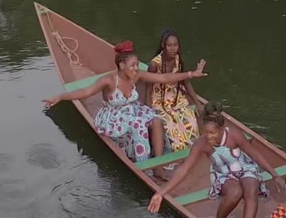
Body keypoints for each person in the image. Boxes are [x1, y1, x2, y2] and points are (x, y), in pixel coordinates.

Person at [42, 41, 206, 162]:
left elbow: (164, 78)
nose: (136, 68)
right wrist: (60, 97)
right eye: (133, 65)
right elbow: (86, 92)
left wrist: (191, 74)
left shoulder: (136, 75)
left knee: (156, 120)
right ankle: (144, 165)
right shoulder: (109, 81)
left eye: (136, 65)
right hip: (115, 117)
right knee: (138, 124)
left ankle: (158, 164)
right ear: (121, 65)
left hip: (133, 110)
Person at [147, 106, 280, 218]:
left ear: (222, 129)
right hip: (223, 174)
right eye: (205, 133)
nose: (208, 137)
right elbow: (184, 169)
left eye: (212, 133)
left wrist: (275, 175)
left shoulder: (234, 135)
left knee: (251, 188)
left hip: (244, 167)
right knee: (235, 192)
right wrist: (161, 193)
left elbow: (253, 153)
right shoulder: (201, 143)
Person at [145, 29, 209, 153]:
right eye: (169, 45)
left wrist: (197, 103)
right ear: (163, 46)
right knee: (170, 126)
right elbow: (148, 88)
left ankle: (192, 150)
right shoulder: (154, 64)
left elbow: (185, 81)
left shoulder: (178, 59)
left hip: (176, 99)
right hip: (159, 102)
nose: (173, 48)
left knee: (189, 119)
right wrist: (148, 110)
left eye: (175, 45)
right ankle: (173, 153)